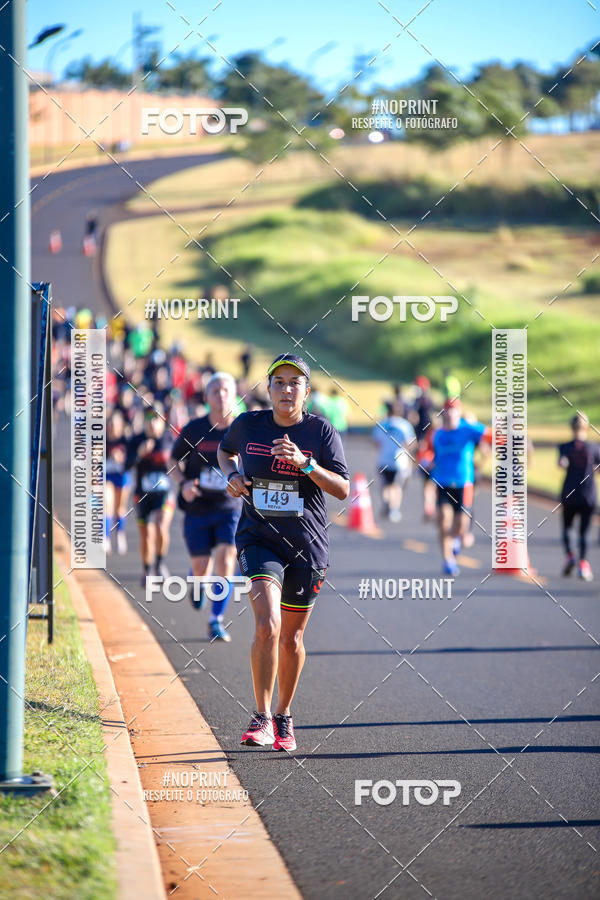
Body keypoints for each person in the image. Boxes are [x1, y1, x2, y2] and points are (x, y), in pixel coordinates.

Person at [217, 353, 350, 751]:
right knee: (267, 625)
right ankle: (259, 716)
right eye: (279, 382)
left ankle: (284, 716)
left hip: (306, 547)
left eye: (295, 383)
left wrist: (305, 464)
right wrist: (232, 475)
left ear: (306, 392)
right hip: (259, 537)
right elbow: (225, 452)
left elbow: (343, 489)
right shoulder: (248, 424)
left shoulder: (321, 433)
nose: (287, 389)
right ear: (269, 388)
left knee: (291, 639)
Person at [171, 373, 243, 642]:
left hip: (229, 507)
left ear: (234, 395)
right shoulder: (194, 428)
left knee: (226, 559)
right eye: (215, 390)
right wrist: (184, 484)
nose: (221, 394)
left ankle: (216, 620)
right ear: (207, 396)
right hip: (198, 507)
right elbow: (172, 462)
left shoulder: (240, 429)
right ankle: (196, 578)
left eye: (226, 389)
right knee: (202, 567)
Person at [432, 398, 491, 575]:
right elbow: (426, 451)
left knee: (461, 526)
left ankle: (455, 540)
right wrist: (425, 460)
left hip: (464, 483)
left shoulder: (468, 429)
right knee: (443, 518)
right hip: (442, 482)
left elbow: (490, 436)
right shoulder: (437, 434)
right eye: (447, 410)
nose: (450, 413)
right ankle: (448, 560)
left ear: (459, 412)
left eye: (453, 410)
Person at [127, 405, 175, 586]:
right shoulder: (136, 440)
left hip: (164, 493)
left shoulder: (169, 439)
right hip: (142, 494)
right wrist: (139, 454)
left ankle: (160, 564)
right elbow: (126, 465)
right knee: (146, 535)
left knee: (161, 525)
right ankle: (147, 569)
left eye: (157, 418)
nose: (153, 423)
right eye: (149, 418)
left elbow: (181, 460)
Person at [558, 413, 599, 581]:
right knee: (584, 531)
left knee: (567, 527)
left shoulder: (565, 447)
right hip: (588, 494)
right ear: (587, 427)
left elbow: (561, 463)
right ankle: (583, 563)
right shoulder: (594, 447)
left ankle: (570, 556)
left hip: (569, 493)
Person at [372, 402, 416, 522]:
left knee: (385, 485)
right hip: (400, 460)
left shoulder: (382, 424)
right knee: (397, 486)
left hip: (383, 459)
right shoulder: (405, 425)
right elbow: (411, 443)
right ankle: (394, 509)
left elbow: (376, 442)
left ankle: (386, 502)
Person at [105, 408, 131, 555]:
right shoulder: (103, 439)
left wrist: (121, 457)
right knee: (107, 504)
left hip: (121, 476)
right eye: (110, 425)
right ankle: (106, 537)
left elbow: (131, 458)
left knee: (119, 507)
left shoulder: (125, 440)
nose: (112, 428)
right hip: (107, 475)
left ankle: (120, 534)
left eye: (115, 425)